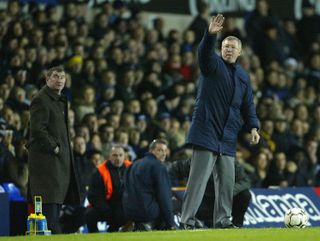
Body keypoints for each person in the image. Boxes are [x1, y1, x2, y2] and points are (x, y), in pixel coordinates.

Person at [180, 14, 260, 229]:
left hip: (228, 136)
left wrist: (253, 126)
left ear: (240, 52)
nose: (228, 49)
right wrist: (210, 35)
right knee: (197, 182)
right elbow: (204, 52)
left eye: (233, 47)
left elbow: (248, 106)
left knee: (226, 183)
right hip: (206, 132)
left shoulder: (243, 76)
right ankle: (186, 221)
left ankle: (223, 221)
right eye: (225, 46)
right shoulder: (212, 64)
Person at [27, 66, 80, 234]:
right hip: (48, 163)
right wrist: (55, 148)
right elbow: (37, 129)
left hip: (57, 164)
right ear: (47, 79)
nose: (59, 80)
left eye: (62, 77)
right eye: (55, 76)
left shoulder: (58, 99)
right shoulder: (41, 99)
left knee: (56, 208)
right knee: (49, 208)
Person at [168, 158, 252, 228]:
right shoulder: (200, 161)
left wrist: (228, 191)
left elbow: (246, 181)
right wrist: (169, 186)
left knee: (245, 195)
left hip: (225, 201)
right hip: (205, 201)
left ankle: (238, 224)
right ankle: (193, 222)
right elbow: (174, 168)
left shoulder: (232, 163)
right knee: (213, 227)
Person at [122, 139, 176, 230]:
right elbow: (164, 197)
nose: (163, 154)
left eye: (165, 151)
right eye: (160, 150)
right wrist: (171, 224)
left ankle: (139, 225)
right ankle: (149, 225)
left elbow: (123, 189)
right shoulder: (158, 166)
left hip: (128, 212)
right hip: (147, 212)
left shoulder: (132, 165)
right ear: (151, 151)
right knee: (170, 206)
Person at [85, 144, 132, 232]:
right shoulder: (99, 171)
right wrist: (107, 211)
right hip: (105, 206)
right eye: (115, 155)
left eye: (120, 155)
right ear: (109, 156)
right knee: (89, 214)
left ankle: (113, 232)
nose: (118, 158)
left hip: (123, 206)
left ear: (124, 156)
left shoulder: (131, 168)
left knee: (124, 213)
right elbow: (94, 195)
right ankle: (94, 237)